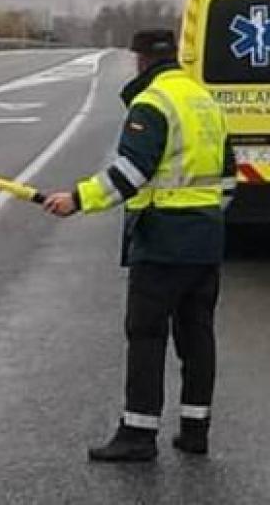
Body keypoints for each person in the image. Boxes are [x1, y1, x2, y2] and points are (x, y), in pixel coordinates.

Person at [43, 28, 234, 463]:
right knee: (198, 336)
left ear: (141, 59)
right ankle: (195, 430)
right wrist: (205, 214)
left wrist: (77, 199)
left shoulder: (153, 103)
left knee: (147, 335)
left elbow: (130, 172)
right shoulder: (206, 102)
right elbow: (228, 178)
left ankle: (138, 434)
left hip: (164, 239)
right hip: (206, 238)